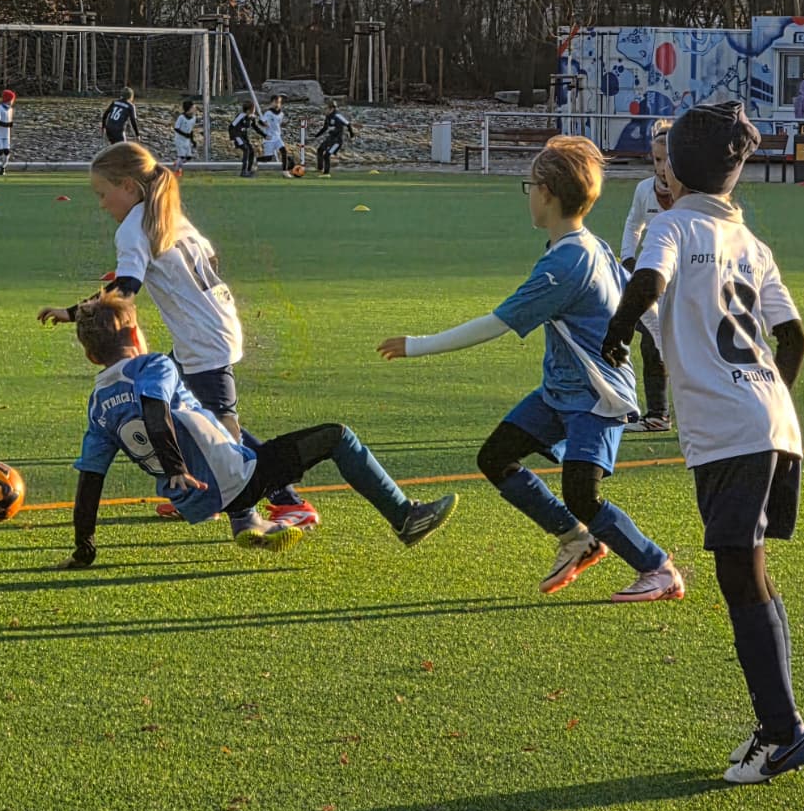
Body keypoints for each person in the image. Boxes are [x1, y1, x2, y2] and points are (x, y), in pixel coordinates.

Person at [602, 102, 804, 784]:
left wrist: (615, 335)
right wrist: (767, 397)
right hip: (773, 422)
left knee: (739, 575)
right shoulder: (753, 245)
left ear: (680, 172)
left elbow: (647, 281)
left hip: (732, 432)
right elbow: (795, 339)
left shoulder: (671, 225)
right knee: (747, 574)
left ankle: (785, 734)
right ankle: (778, 726)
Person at [377, 135, 683, 605]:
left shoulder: (568, 261)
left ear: (548, 193)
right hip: (561, 391)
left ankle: (656, 567)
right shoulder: (587, 245)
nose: (529, 196)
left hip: (595, 395)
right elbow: (635, 300)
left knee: (583, 494)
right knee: (496, 457)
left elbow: (497, 323)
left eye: (531, 185)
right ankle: (577, 540)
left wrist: (416, 345)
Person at [36, 141, 320, 533]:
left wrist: (73, 313)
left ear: (129, 187)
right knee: (189, 409)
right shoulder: (169, 215)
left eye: (104, 194)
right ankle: (206, 488)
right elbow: (207, 260)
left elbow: (125, 289)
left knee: (221, 425)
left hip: (202, 337)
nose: (102, 204)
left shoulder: (134, 226)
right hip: (215, 323)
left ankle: (279, 502)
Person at [57, 288, 458, 565]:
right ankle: (406, 518)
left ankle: (251, 522)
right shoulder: (152, 366)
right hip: (233, 479)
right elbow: (154, 408)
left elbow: (90, 478)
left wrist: (84, 546)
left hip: (195, 502)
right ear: (134, 334)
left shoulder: (97, 407)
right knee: (337, 437)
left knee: (221, 426)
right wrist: (176, 466)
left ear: (93, 358)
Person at [619, 118, 673, 433]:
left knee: (680, 344)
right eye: (656, 159)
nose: (662, 166)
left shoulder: (691, 193)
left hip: (682, 282)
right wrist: (628, 256)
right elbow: (633, 223)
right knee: (648, 342)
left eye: (668, 159)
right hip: (650, 280)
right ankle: (657, 414)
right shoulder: (643, 190)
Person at [314, 101, 354, 177]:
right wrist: (316, 136)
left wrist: (351, 135)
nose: (324, 110)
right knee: (320, 150)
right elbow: (325, 128)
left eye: (326, 108)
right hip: (330, 139)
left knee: (326, 155)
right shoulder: (328, 117)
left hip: (337, 141)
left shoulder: (338, 116)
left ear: (331, 108)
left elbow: (348, 124)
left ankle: (326, 173)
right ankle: (320, 168)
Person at [229, 99, 266, 177]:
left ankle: (248, 170)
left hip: (244, 136)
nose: (254, 110)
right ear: (249, 110)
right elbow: (231, 127)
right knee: (246, 149)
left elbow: (256, 128)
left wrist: (264, 135)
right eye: (253, 108)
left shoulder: (251, 118)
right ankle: (243, 171)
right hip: (237, 136)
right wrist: (232, 139)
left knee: (251, 151)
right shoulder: (241, 116)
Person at [261, 95, 293, 175]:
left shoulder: (281, 114)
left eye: (279, 102)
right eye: (276, 102)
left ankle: (285, 171)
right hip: (270, 137)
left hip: (277, 137)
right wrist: (264, 124)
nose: (277, 104)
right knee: (268, 158)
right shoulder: (268, 113)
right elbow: (260, 121)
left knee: (284, 151)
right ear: (271, 103)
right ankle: (255, 160)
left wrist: (284, 124)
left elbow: (278, 124)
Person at [0, 88, 16, 176]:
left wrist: (10, 126)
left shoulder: (10, 109)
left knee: (6, 151)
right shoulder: (0, 108)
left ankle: (3, 167)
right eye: (11, 99)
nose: (12, 101)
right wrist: (7, 125)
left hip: (6, 135)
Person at [172, 98, 197, 175]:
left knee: (188, 157)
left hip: (187, 140)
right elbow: (176, 128)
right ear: (189, 109)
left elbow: (191, 130)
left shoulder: (194, 118)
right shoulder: (181, 117)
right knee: (182, 156)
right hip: (180, 139)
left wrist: (193, 140)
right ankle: (177, 171)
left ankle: (178, 163)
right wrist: (184, 134)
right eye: (193, 108)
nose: (195, 109)